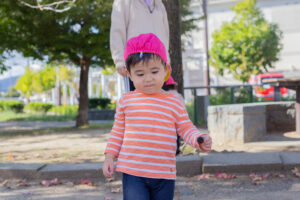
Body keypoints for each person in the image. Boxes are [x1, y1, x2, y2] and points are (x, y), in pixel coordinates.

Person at [103, 33, 212, 200]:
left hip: (163, 173)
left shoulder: (174, 102)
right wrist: (110, 157)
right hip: (133, 172)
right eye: (140, 74)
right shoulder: (126, 101)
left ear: (166, 70)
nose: (148, 79)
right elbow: (117, 132)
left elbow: (185, 127)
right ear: (129, 75)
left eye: (154, 71)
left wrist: (198, 138)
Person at [110, 0, 170, 91]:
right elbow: (117, 32)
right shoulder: (123, 2)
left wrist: (167, 60)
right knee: (136, 103)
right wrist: (119, 61)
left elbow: (165, 34)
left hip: (158, 65)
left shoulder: (158, 3)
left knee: (160, 102)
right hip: (135, 63)